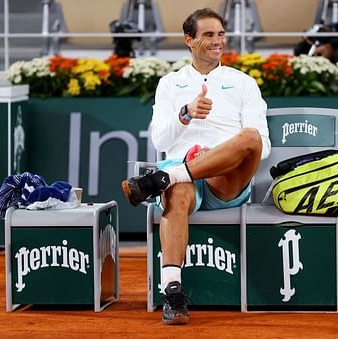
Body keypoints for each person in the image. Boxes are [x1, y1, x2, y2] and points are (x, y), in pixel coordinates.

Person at [121, 8, 270, 325]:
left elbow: (263, 145)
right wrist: (185, 114)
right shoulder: (170, 84)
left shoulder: (243, 83)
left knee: (250, 137)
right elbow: (160, 138)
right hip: (183, 171)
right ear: (189, 40)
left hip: (225, 177)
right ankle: (172, 292)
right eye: (208, 35)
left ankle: (162, 179)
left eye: (220, 34)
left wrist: (219, 152)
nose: (218, 41)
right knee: (178, 194)